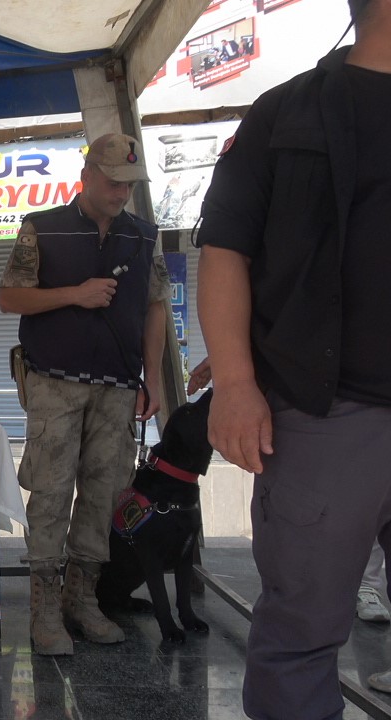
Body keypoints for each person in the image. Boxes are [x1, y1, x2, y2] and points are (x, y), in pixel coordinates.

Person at [196, 1, 391, 715]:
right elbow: (224, 251)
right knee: (302, 632)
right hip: (322, 415)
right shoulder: (285, 114)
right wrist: (236, 383)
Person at [0, 133, 170, 656]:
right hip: (54, 382)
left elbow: (156, 306)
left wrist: (154, 380)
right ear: (88, 175)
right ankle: (45, 608)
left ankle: (82, 598)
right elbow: (9, 297)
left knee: (103, 494)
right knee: (50, 494)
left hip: (119, 386)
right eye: (113, 182)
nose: (121, 193)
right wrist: (77, 294)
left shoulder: (143, 236)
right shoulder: (43, 228)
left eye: (129, 184)